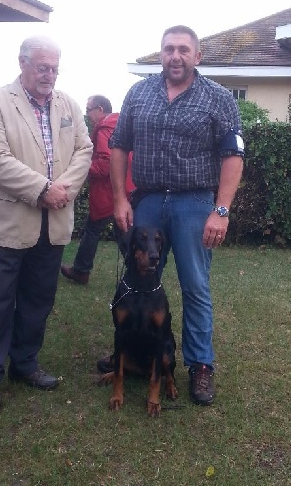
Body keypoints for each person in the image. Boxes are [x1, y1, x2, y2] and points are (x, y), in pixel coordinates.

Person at [102, 24, 244, 406]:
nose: (175, 56)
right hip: (146, 200)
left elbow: (233, 156)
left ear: (197, 56)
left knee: (195, 285)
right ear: (160, 54)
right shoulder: (138, 93)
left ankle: (200, 366)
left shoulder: (218, 98)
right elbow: (118, 146)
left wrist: (222, 210)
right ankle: (128, 351)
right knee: (136, 279)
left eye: (183, 49)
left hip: (194, 204)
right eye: (168, 49)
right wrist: (120, 199)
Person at [0, 35, 93, 411]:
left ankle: (24, 364)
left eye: (55, 68)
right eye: (43, 67)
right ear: (22, 63)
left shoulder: (69, 104)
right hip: (10, 222)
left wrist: (62, 191)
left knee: (39, 300)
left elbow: (84, 150)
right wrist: (43, 189)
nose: (50, 75)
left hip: (53, 225)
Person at [60, 95, 133, 285]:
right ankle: (136, 273)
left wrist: (82, 166)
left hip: (109, 191)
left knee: (96, 229)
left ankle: (82, 270)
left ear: (100, 109)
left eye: (88, 110)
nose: (87, 115)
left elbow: (105, 164)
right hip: (126, 187)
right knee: (121, 231)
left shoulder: (104, 129)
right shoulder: (120, 124)